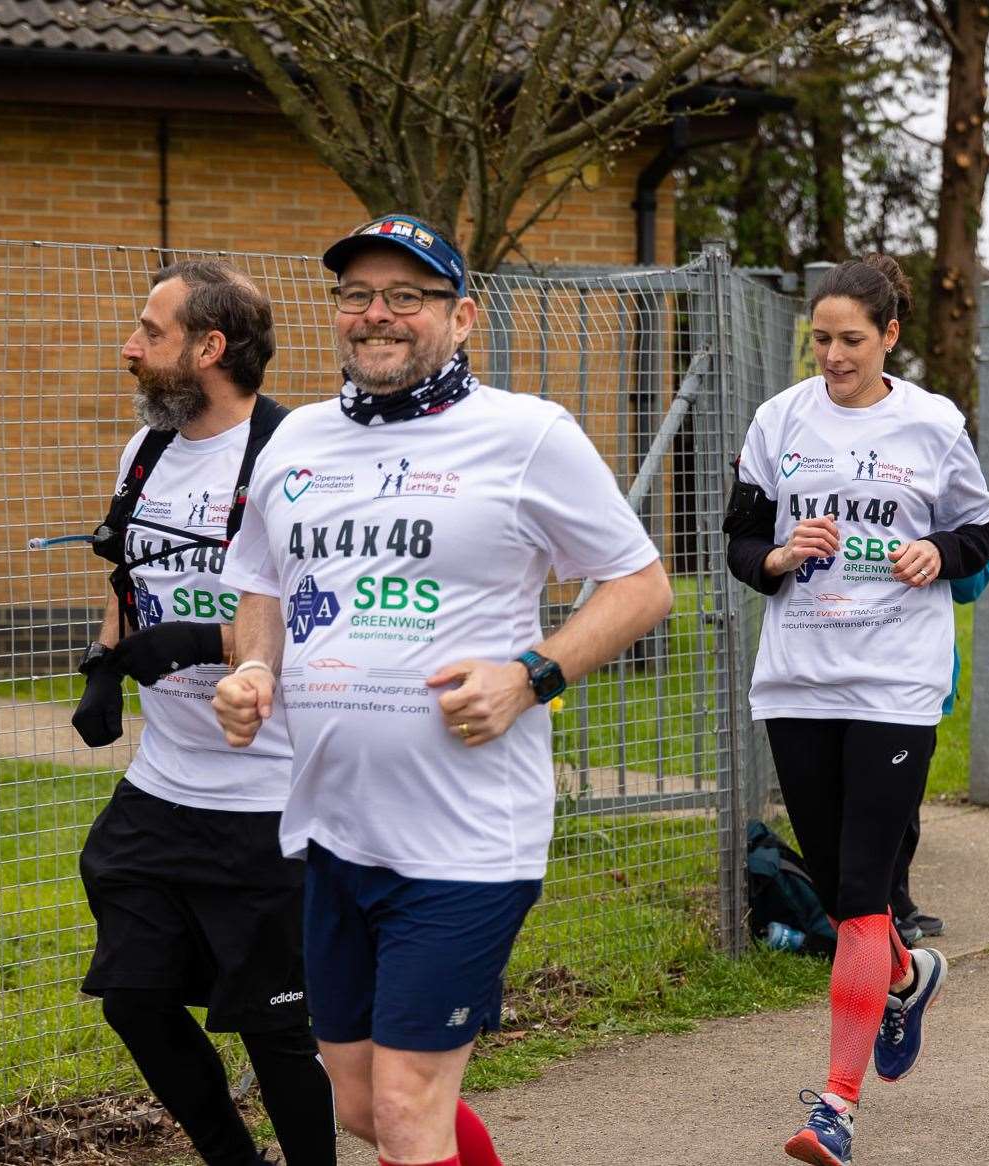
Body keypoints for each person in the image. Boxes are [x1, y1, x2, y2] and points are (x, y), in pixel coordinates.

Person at [211, 214, 673, 1166]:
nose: (376, 316)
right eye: (356, 296)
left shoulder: (525, 434)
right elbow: (260, 579)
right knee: (360, 1102)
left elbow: (641, 584)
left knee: (411, 1105)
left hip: (466, 835)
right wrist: (254, 666)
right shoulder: (294, 438)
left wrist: (531, 676)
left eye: (406, 298)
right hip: (335, 827)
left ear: (460, 317)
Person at [723, 254, 989, 1165]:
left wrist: (934, 550)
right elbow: (739, 539)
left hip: (893, 678)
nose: (833, 357)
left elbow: (979, 531)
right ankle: (906, 977)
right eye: (821, 340)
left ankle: (835, 1105)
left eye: (850, 340)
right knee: (851, 884)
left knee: (856, 895)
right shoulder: (780, 420)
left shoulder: (931, 421)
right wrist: (775, 557)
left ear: (889, 336)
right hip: (799, 675)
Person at [71, 260, 335, 1166]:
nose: (129, 348)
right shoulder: (143, 451)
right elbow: (128, 576)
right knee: (133, 998)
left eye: (149, 331)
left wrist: (194, 642)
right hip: (163, 788)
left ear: (208, 347)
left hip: (271, 797)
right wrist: (105, 666)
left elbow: (322, 613)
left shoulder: (296, 457)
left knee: (276, 1029)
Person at [887, 558, 989, 944]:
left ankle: (896, 899)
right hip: (872, 666)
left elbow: (969, 587)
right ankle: (875, 908)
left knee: (906, 804)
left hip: (921, 678)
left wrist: (954, 541)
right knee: (877, 803)